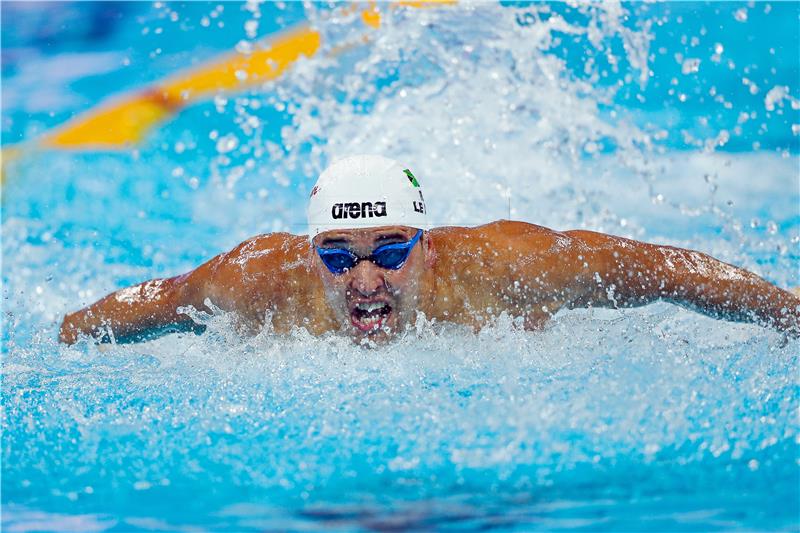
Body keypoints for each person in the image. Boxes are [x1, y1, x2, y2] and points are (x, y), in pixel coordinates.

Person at [59, 155, 800, 345]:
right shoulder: (260, 280)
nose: (367, 277)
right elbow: (160, 299)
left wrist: (788, 312)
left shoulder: (505, 266)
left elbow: (657, 267)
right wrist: (66, 338)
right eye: (340, 256)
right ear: (311, 252)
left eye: (390, 249)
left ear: (428, 243)